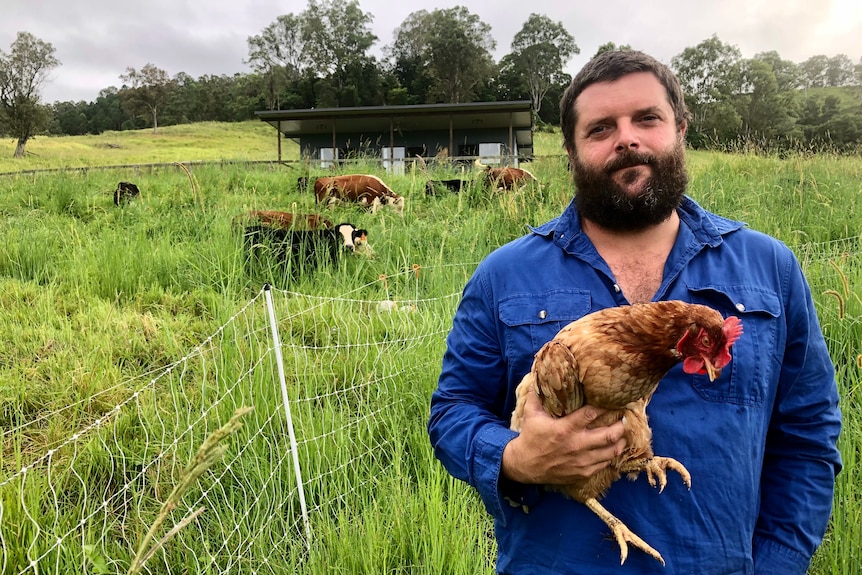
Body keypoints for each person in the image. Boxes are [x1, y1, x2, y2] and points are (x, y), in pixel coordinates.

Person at [427, 49, 842, 574]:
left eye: (647, 118)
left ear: (680, 129)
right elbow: (452, 412)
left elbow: (808, 433)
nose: (627, 138)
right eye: (601, 128)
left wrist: (779, 562)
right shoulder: (505, 274)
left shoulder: (769, 267)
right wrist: (514, 458)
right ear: (572, 151)